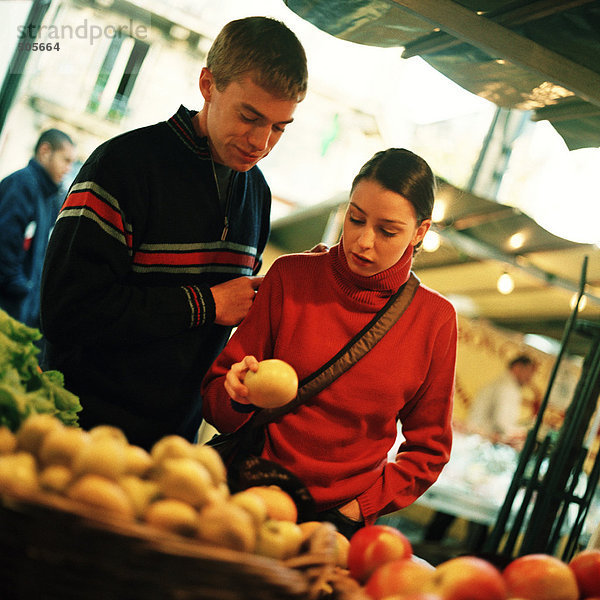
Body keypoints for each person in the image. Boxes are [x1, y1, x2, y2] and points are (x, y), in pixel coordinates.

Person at [40, 16, 308, 450]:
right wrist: (207, 304)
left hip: (171, 445)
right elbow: (67, 311)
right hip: (75, 430)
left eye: (279, 127)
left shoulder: (257, 194)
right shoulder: (122, 166)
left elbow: (219, 328)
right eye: (250, 116)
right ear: (208, 84)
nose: (261, 142)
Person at [201, 148, 458, 537]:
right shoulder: (290, 275)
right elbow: (216, 401)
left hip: (335, 524)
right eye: (355, 219)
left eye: (388, 231)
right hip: (249, 492)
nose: (362, 242)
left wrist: (362, 507)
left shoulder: (435, 320)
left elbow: (429, 449)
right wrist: (237, 393)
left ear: (420, 232)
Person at [0, 129, 75, 328]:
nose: (68, 168)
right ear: (45, 151)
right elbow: (5, 240)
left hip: (19, 307)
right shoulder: (23, 184)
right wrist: (20, 287)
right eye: (65, 160)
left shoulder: (48, 195)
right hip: (8, 304)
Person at [466, 354, 537, 448]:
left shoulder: (504, 384)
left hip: (477, 438)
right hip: (481, 442)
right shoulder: (507, 387)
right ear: (517, 367)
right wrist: (522, 433)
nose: (530, 378)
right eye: (529, 372)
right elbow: (501, 422)